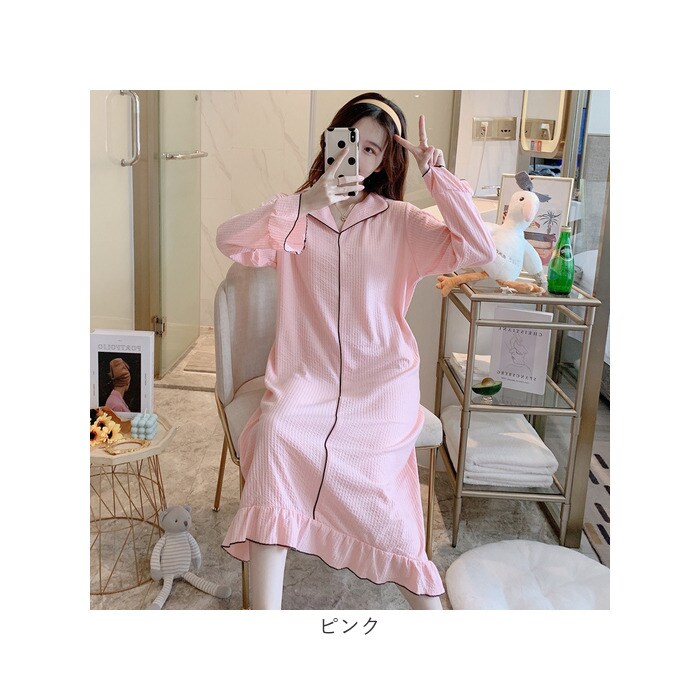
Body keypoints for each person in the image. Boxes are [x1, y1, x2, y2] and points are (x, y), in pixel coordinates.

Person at [216, 92, 496, 610]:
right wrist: (305, 203)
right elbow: (229, 239)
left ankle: (424, 599)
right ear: (329, 142)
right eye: (348, 142)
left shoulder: (402, 221)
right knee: (276, 435)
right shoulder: (297, 217)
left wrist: (437, 176)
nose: (356, 156)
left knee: (382, 493)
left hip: (381, 384)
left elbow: (479, 249)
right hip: (306, 378)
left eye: (371, 149)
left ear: (385, 160)